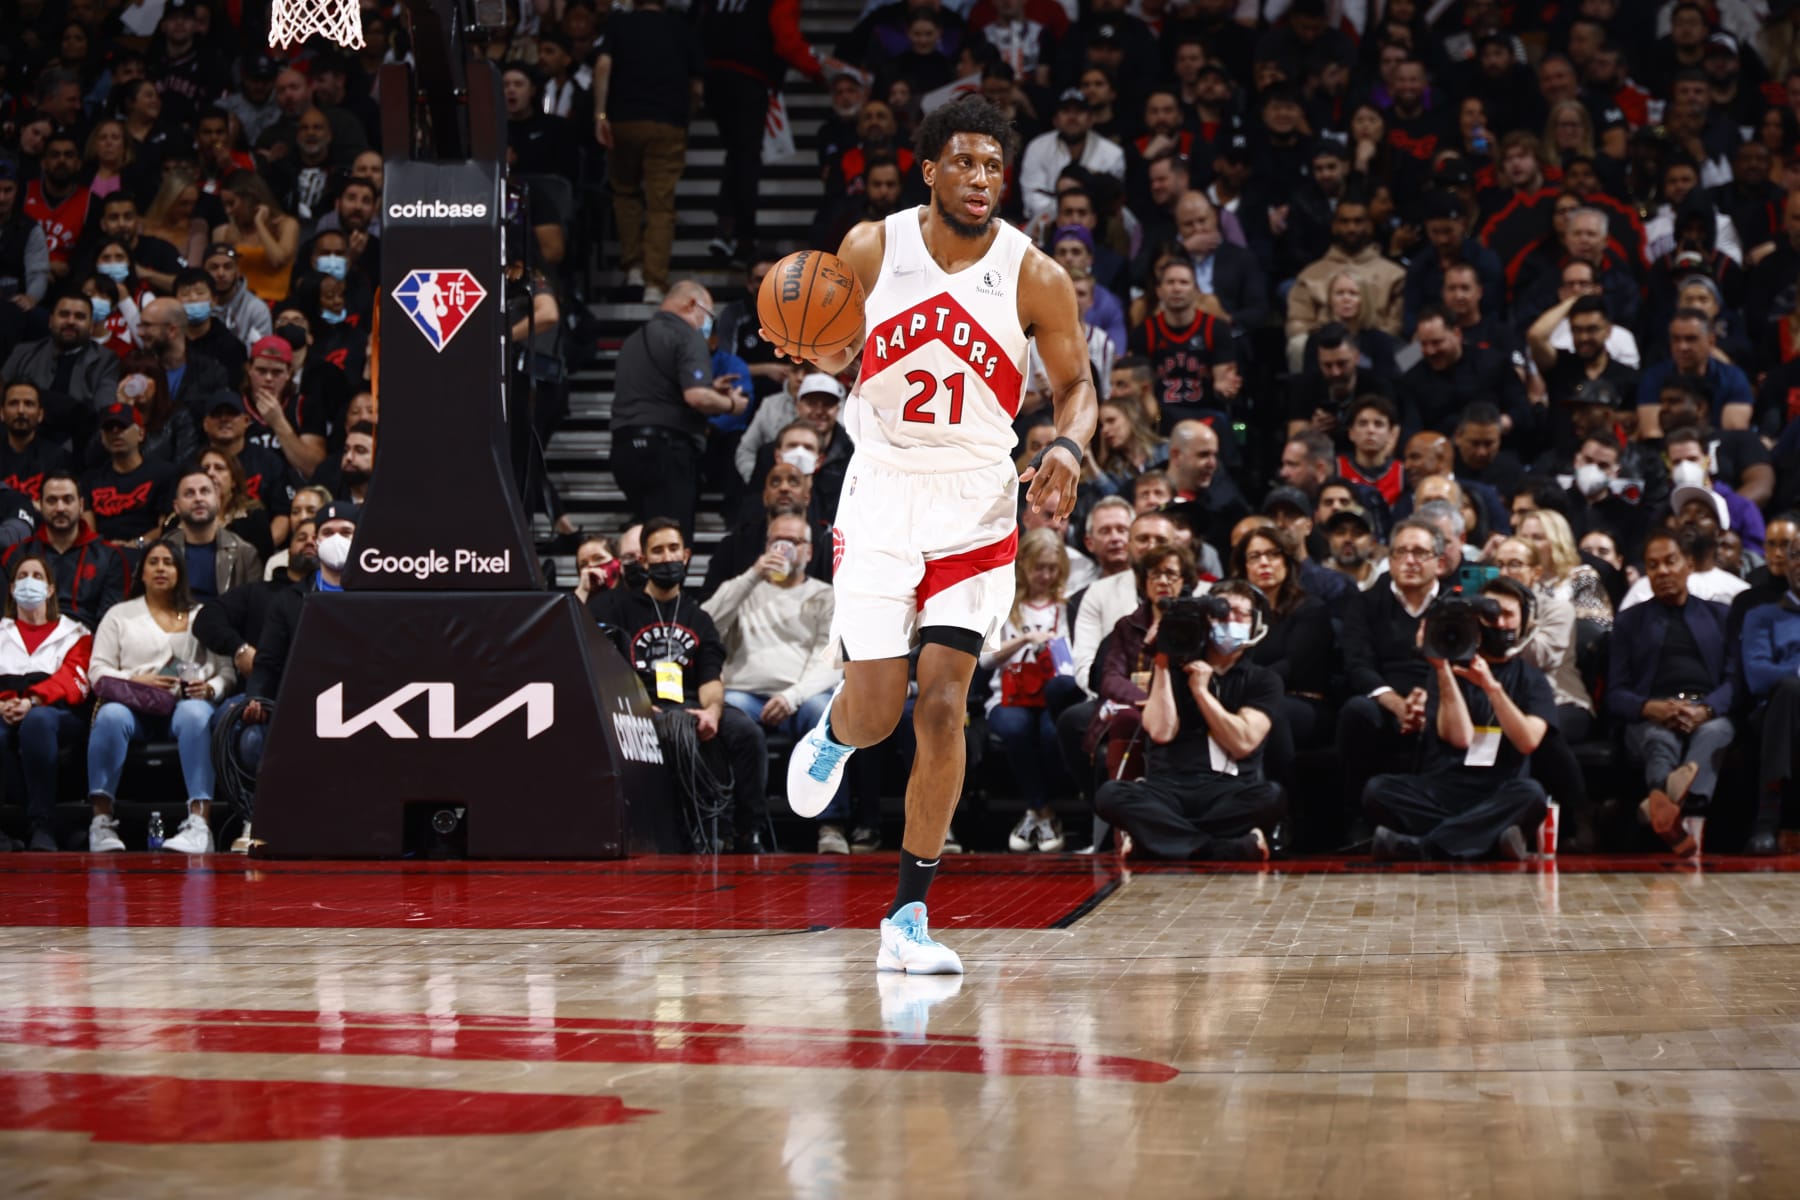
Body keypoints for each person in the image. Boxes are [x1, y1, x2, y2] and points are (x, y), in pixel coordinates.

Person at [769, 97, 1097, 975]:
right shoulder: (875, 247)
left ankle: (907, 916)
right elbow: (835, 357)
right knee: (879, 715)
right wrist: (808, 352)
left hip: (977, 505)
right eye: (964, 162)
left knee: (945, 701)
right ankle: (835, 734)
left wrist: (1065, 443)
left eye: (994, 165)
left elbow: (1077, 386)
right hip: (879, 494)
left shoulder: (1037, 276)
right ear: (928, 169)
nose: (981, 179)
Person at [590, 517, 768, 853]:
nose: (666, 557)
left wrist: (712, 712)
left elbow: (711, 677)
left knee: (747, 734)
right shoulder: (618, 610)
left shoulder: (698, 618)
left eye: (673, 549)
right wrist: (642, 707)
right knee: (671, 728)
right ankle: (680, 834)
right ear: (643, 560)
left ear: (686, 555)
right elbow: (607, 673)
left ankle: (748, 832)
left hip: (691, 703)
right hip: (641, 707)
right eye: (657, 550)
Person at [1364, 577, 1553, 862]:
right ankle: (1486, 839)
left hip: (1499, 790)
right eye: (1491, 615)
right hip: (1444, 788)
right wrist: (1441, 668)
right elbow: (1460, 737)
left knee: (1532, 794)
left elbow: (1527, 741)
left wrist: (1491, 687)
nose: (1499, 623)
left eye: (1508, 615)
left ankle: (1425, 846)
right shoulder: (1448, 672)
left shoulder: (1533, 679)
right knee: (1378, 790)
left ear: (1523, 621)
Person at [1093, 578, 1282, 861]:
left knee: (1272, 796)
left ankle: (1159, 842)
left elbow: (1243, 742)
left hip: (1228, 791)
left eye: (1240, 614)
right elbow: (1160, 731)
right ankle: (1219, 847)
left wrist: (1201, 692)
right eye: (1221, 613)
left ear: (1256, 624)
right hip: (1167, 789)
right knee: (1110, 795)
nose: (1229, 620)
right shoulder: (1171, 667)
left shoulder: (1264, 679)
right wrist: (1162, 660)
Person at [700, 509, 843, 851]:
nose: (784, 548)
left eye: (793, 541)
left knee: (827, 713)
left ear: (809, 551)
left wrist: (792, 696)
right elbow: (703, 625)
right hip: (744, 692)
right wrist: (752, 576)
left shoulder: (825, 595)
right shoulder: (742, 587)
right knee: (725, 712)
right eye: (777, 540)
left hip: (801, 694)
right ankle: (736, 825)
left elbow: (832, 661)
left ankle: (831, 824)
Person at [86, 541, 236, 854]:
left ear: (180, 571)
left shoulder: (201, 616)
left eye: (168, 562)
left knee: (195, 713)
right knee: (110, 715)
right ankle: (101, 822)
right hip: (134, 707)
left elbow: (227, 672)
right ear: (142, 572)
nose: (161, 568)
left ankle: (199, 824)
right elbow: (97, 671)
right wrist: (135, 679)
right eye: (153, 562)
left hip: (184, 706)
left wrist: (210, 688)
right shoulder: (120, 614)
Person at [1607, 530, 1734, 856]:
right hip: (1651, 715)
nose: (1662, 571)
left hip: (1705, 711)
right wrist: (1651, 707)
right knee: (1658, 740)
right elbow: (1616, 693)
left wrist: (1705, 709)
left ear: (1689, 564)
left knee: (1717, 730)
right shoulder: (1628, 622)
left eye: (1670, 561)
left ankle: (1665, 804)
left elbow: (1735, 681)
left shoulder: (1720, 616)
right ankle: (1681, 813)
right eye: (1653, 565)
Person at [1335, 518, 1446, 840]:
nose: (1410, 561)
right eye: (1401, 553)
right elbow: (1357, 664)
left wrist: (1429, 698)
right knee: (1357, 711)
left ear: (1438, 563)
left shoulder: (1453, 606)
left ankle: (1435, 819)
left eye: (1420, 553)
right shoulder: (1366, 602)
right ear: (1391, 559)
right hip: (1383, 700)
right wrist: (1397, 704)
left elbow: (1460, 661)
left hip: (1441, 698)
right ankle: (1357, 820)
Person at [610, 283, 746, 540]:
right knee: (673, 539)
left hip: (625, 450)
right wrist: (731, 405)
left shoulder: (633, 338)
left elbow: (656, 387)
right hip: (665, 452)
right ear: (692, 305)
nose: (708, 324)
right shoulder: (687, 335)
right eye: (709, 315)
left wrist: (710, 387)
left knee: (648, 537)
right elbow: (695, 396)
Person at [594, 0, 704, 304]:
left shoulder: (618, 25)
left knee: (625, 193)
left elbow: (603, 65)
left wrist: (600, 115)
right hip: (667, 122)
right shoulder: (681, 28)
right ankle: (654, 283)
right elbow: (696, 87)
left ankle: (633, 267)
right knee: (661, 205)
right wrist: (686, 119)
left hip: (623, 120)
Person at [981, 527, 1075, 854]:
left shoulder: (1066, 609)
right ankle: (1044, 812)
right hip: (1009, 695)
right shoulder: (1006, 605)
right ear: (1023, 566)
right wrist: (1023, 640)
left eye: (1052, 568)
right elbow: (984, 661)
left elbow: (1074, 660)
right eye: (1039, 567)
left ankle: (1036, 813)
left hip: (1052, 693)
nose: (1045, 575)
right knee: (1016, 727)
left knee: (1054, 733)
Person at [0, 548, 93, 852]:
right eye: (22, 577)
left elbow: (75, 679)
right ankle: (40, 826)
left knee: (37, 723)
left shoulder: (75, 632)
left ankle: (41, 822)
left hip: (55, 715)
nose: (30, 582)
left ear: (50, 588)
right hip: (4, 709)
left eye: (37, 576)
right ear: (12, 589)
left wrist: (33, 701)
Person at [81, 402, 175, 550]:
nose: (116, 432)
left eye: (123, 426)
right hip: (103, 556)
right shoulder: (91, 479)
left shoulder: (164, 474)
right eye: (109, 428)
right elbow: (87, 531)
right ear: (102, 437)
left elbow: (166, 527)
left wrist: (137, 543)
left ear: (141, 433)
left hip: (148, 552)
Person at [160, 467, 263, 600]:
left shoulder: (245, 554)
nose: (198, 498)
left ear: (218, 500)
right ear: (176, 507)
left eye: (205, 491)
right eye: (189, 494)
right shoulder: (161, 552)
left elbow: (254, 607)